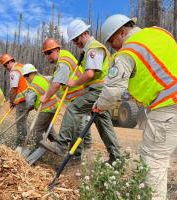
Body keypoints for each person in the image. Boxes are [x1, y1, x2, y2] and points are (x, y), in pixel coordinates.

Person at [93, 14, 177, 200]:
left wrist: (99, 105)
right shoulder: (159, 33)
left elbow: (112, 91)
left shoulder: (127, 53)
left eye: (111, 41)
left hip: (173, 102)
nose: (112, 47)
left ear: (121, 32)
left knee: (153, 159)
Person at [40, 20, 121, 164]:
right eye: (73, 41)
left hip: (99, 90)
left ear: (84, 33)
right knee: (104, 126)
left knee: (73, 109)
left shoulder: (93, 49)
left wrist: (74, 83)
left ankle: (61, 145)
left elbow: (90, 74)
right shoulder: (88, 50)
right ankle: (116, 159)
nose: (76, 43)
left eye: (77, 39)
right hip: (103, 91)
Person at [39, 38, 93, 160]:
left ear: (57, 49)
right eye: (45, 54)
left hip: (79, 96)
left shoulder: (63, 62)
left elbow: (57, 84)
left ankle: (76, 156)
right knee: (79, 126)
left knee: (76, 126)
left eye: (49, 52)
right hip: (79, 96)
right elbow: (55, 79)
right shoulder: (64, 58)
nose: (47, 56)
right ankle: (79, 153)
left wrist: (45, 97)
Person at [22, 63, 59, 146]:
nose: (26, 78)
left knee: (36, 131)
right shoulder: (43, 78)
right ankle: (58, 144)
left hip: (45, 109)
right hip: (54, 106)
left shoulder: (33, 86)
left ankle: (40, 148)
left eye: (27, 75)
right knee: (47, 126)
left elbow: (29, 103)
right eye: (25, 76)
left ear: (33, 73)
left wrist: (29, 107)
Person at [0, 54, 29, 146]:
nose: (6, 68)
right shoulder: (21, 66)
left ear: (9, 63)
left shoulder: (14, 71)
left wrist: (11, 102)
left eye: (5, 66)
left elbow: (13, 89)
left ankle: (21, 143)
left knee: (20, 121)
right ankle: (54, 139)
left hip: (23, 99)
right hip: (30, 96)